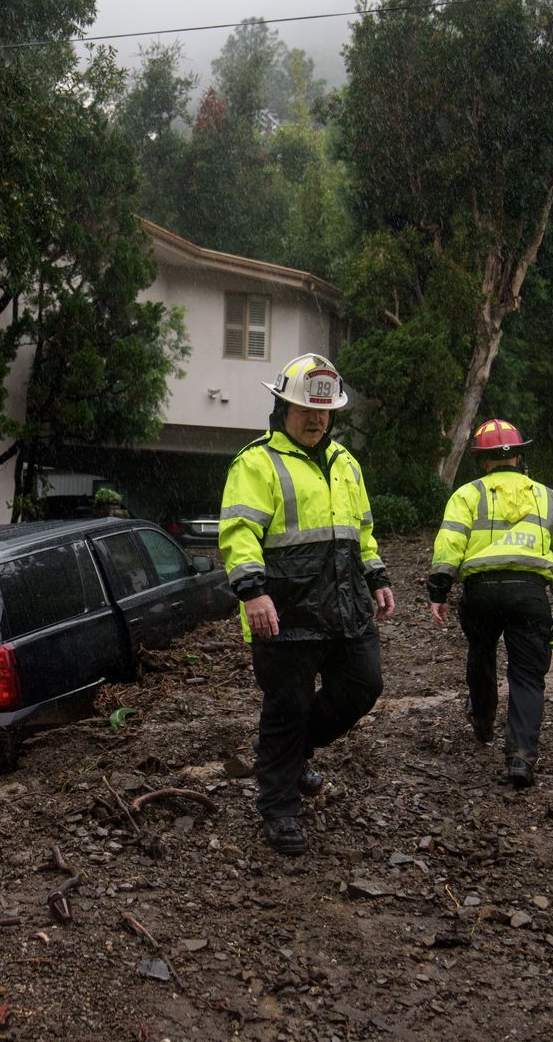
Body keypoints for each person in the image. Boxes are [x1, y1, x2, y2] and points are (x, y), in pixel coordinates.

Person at [219, 353, 395, 857]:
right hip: (285, 611)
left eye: (323, 411)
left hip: (346, 606)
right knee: (287, 706)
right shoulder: (255, 463)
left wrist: (376, 576)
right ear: (281, 408)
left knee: (364, 685)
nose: (316, 419)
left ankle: (291, 754)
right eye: (304, 410)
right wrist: (252, 591)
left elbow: (360, 530)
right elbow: (238, 534)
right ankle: (278, 807)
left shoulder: (346, 463)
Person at [426, 419, 553, 788]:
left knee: (481, 651)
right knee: (527, 674)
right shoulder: (547, 496)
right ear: (518, 457)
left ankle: (484, 722)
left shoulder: (467, 495)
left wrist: (439, 591)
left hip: (482, 591)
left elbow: (449, 546)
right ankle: (521, 756)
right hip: (530, 590)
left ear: (483, 460)